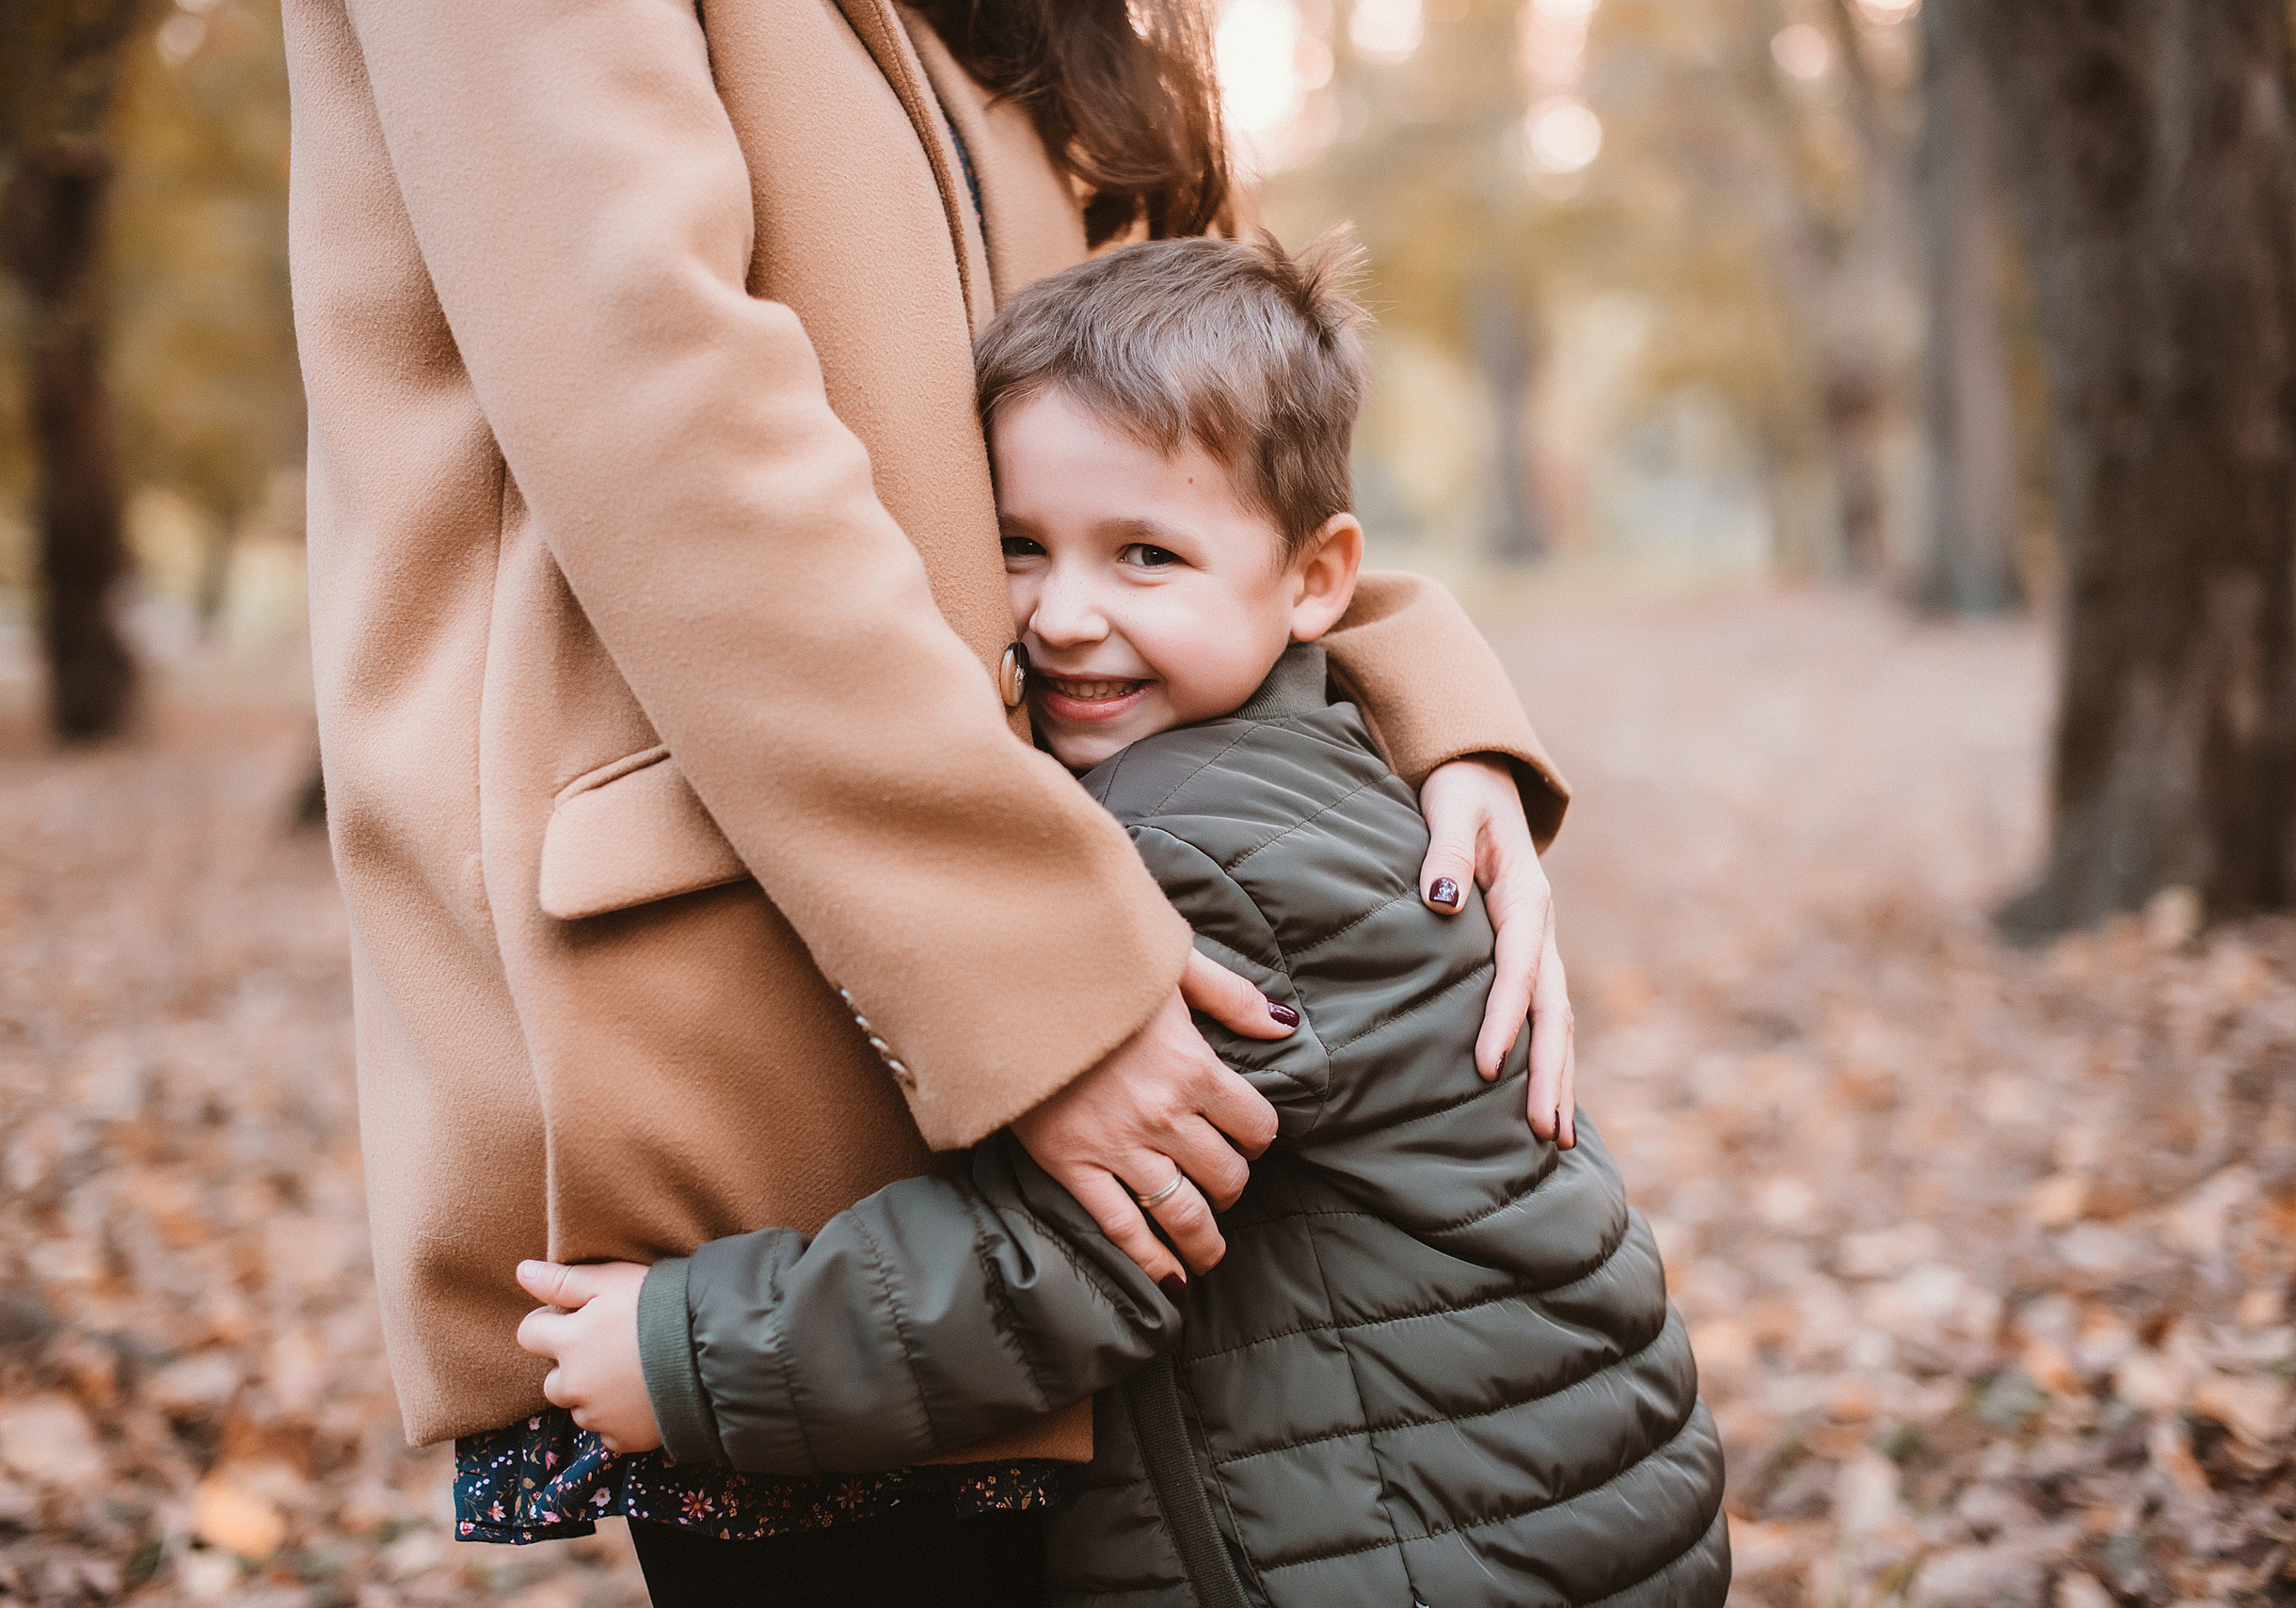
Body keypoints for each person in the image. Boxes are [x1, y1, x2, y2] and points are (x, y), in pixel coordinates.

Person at [285, 1, 1574, 1600]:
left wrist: (1428, 717)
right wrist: (1033, 982)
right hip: (781, 989)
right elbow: (651, 387)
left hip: (1079, 956)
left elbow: (1229, 388)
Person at [502, 236, 1729, 1607]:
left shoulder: (1203, 853)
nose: (1067, 615)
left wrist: (684, 1350)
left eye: (1146, 554)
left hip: (1431, 1548)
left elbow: (1067, 1259)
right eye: (1019, 548)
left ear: (1317, 579)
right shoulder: (1308, 751)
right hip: (1520, 1501)